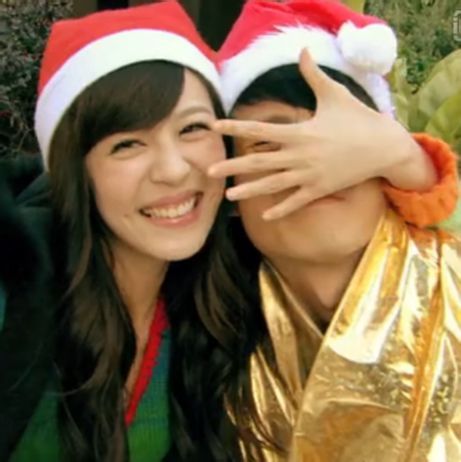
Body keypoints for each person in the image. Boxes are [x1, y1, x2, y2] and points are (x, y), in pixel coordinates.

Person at [0, 1, 458, 462]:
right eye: (127, 144)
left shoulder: (212, 311)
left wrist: (406, 158)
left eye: (192, 129)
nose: (173, 170)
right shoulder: (24, 285)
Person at [168, 1, 461, 461]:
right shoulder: (186, 345)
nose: (317, 165)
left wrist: (410, 159)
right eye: (272, 144)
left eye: (343, 141)